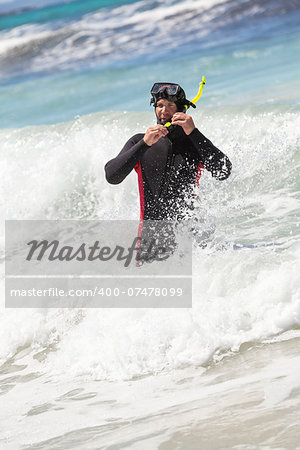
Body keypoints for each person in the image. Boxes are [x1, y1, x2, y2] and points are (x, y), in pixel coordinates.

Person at [105, 82, 232, 222]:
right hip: (151, 238)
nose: (164, 111)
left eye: (170, 105)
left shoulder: (194, 144)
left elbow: (223, 171)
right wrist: (144, 144)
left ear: (181, 109)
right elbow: (112, 176)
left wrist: (194, 133)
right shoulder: (140, 141)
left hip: (188, 237)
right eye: (160, 105)